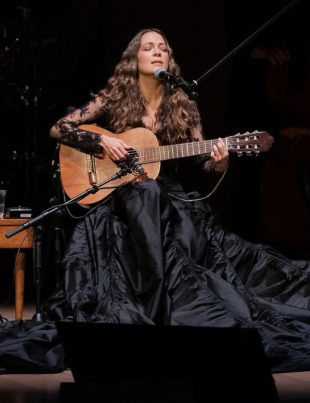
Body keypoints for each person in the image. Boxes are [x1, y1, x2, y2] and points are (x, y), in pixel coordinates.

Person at [1, 28, 309, 375]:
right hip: (119, 200)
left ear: (169, 59)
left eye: (163, 47)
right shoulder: (113, 98)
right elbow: (60, 128)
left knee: (158, 198)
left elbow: (204, 160)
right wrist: (101, 144)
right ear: (135, 58)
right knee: (141, 194)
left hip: (166, 198)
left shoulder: (184, 103)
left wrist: (219, 160)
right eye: (149, 47)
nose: (157, 51)